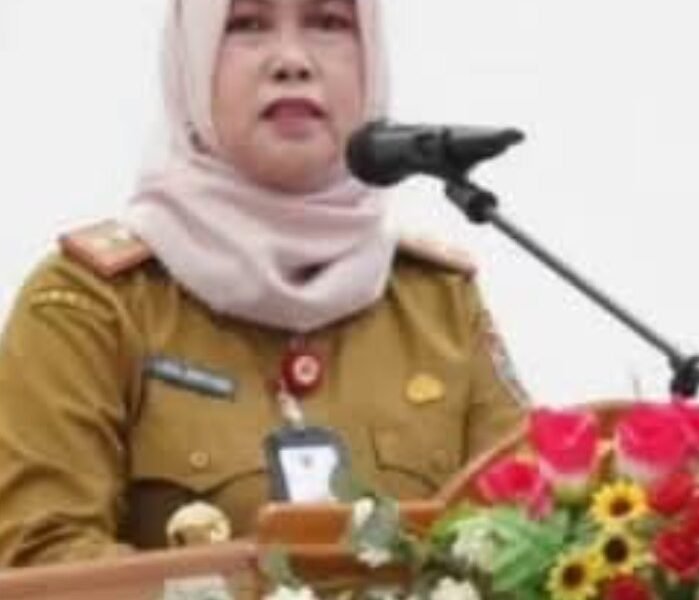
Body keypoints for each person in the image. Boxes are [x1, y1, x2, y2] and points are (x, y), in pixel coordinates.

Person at [0, 0, 527, 567]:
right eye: (246, 25)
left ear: (370, 62)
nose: (291, 61)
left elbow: (541, 539)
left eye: (328, 23)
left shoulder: (441, 307)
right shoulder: (90, 306)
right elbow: (41, 560)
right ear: (192, 61)